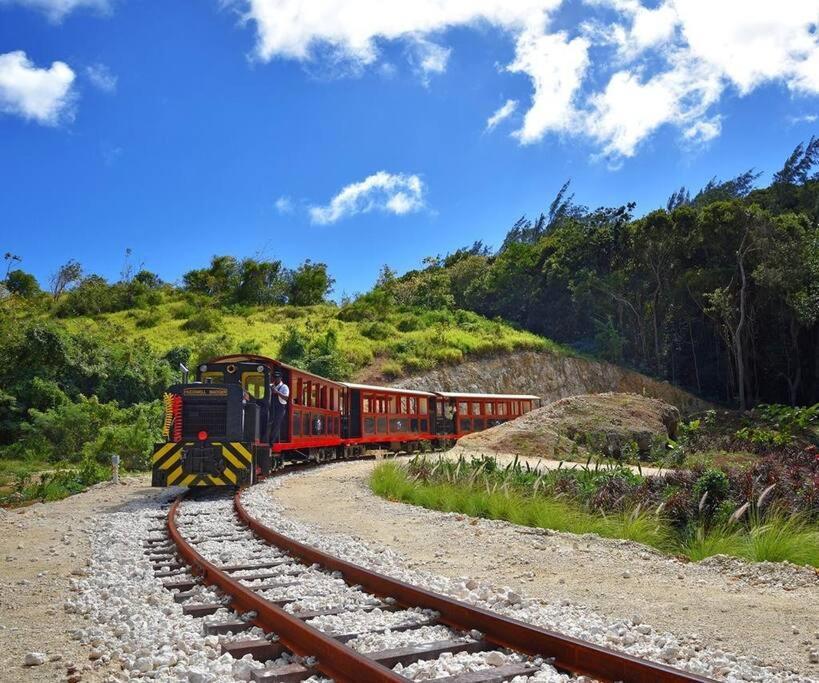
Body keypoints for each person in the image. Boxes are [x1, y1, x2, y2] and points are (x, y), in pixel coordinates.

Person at [268, 370, 290, 444]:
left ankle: (272, 441)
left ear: (280, 378)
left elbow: (286, 397)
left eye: (277, 377)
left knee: (276, 423)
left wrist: (276, 392)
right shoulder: (271, 385)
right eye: (274, 377)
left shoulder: (284, 387)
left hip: (280, 408)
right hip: (271, 406)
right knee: (269, 421)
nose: (275, 379)